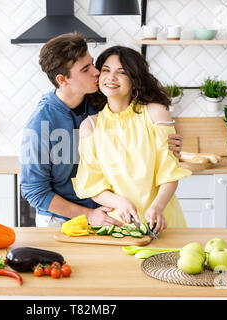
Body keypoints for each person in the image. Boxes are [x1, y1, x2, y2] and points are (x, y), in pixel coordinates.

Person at [20, 33, 183, 227]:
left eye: (93, 64)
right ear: (63, 80)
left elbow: (138, 131)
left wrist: (170, 142)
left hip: (109, 215)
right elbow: (34, 191)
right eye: (86, 69)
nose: (97, 72)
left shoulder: (99, 101)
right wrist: (88, 215)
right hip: (62, 220)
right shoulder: (40, 124)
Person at [72, 46, 191, 233]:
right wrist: (119, 202)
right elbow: (92, 184)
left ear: (134, 80)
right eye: (106, 70)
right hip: (119, 225)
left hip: (162, 220)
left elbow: (169, 172)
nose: (111, 78)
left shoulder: (156, 113)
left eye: (122, 72)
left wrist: (157, 207)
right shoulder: (90, 126)